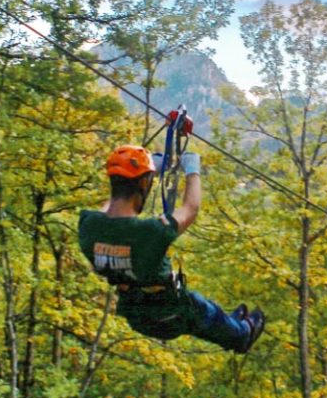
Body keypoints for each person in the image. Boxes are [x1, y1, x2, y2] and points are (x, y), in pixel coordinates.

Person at [78, 143, 265, 354]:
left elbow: (107, 210)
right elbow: (190, 209)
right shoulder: (149, 232)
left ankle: (231, 327)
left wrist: (149, 171)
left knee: (203, 315)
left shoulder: (87, 226)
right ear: (143, 184)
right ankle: (242, 334)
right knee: (203, 312)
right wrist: (192, 171)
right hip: (168, 312)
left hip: (136, 313)